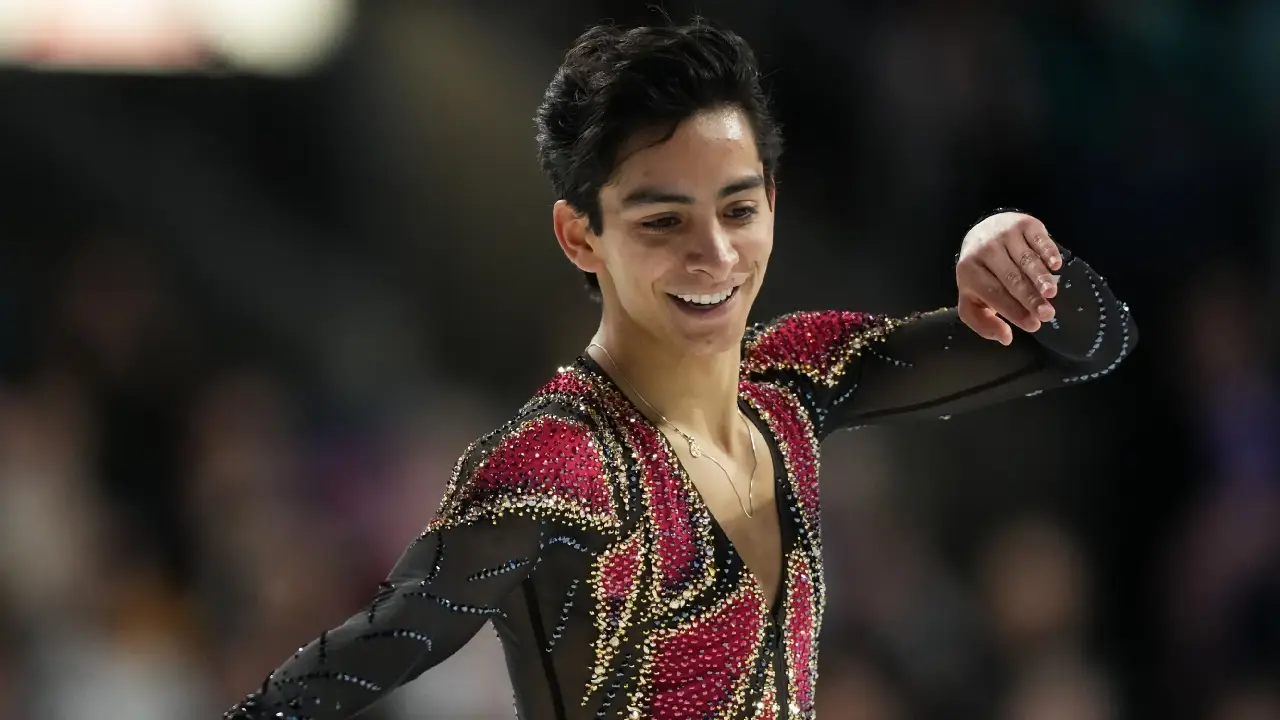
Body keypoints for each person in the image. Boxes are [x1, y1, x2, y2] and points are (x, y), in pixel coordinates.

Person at [223, 20, 1136, 720]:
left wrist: (1007, 246)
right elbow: (348, 666)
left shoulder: (794, 380)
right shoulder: (555, 465)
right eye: (663, 221)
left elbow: (1091, 343)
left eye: (737, 210)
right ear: (581, 235)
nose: (715, 255)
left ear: (772, 200)